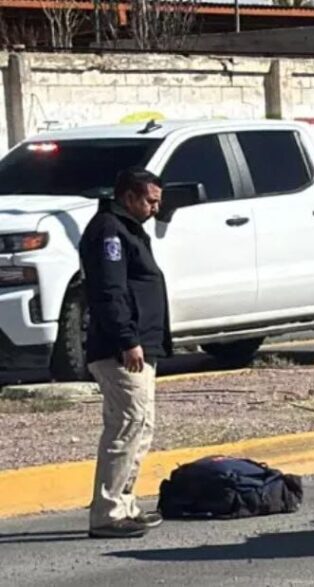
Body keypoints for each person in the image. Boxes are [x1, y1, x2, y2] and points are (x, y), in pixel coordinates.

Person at [80, 167, 171, 539]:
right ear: (129, 196)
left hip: (138, 345)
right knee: (127, 424)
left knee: (141, 426)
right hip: (119, 348)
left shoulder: (128, 229)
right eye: (150, 201)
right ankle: (107, 512)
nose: (154, 208)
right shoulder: (109, 231)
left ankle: (125, 503)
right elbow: (109, 290)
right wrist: (126, 339)